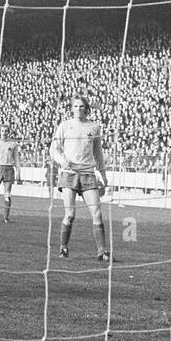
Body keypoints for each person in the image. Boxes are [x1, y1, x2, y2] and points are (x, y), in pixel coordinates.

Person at [50, 95, 110, 262]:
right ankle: (63, 248)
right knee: (70, 214)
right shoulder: (65, 126)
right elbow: (54, 149)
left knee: (97, 213)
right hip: (69, 175)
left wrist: (103, 176)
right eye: (75, 106)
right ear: (71, 108)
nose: (78, 109)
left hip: (88, 174)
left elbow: (98, 154)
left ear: (86, 108)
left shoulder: (94, 127)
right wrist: (63, 161)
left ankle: (102, 251)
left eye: (81, 107)